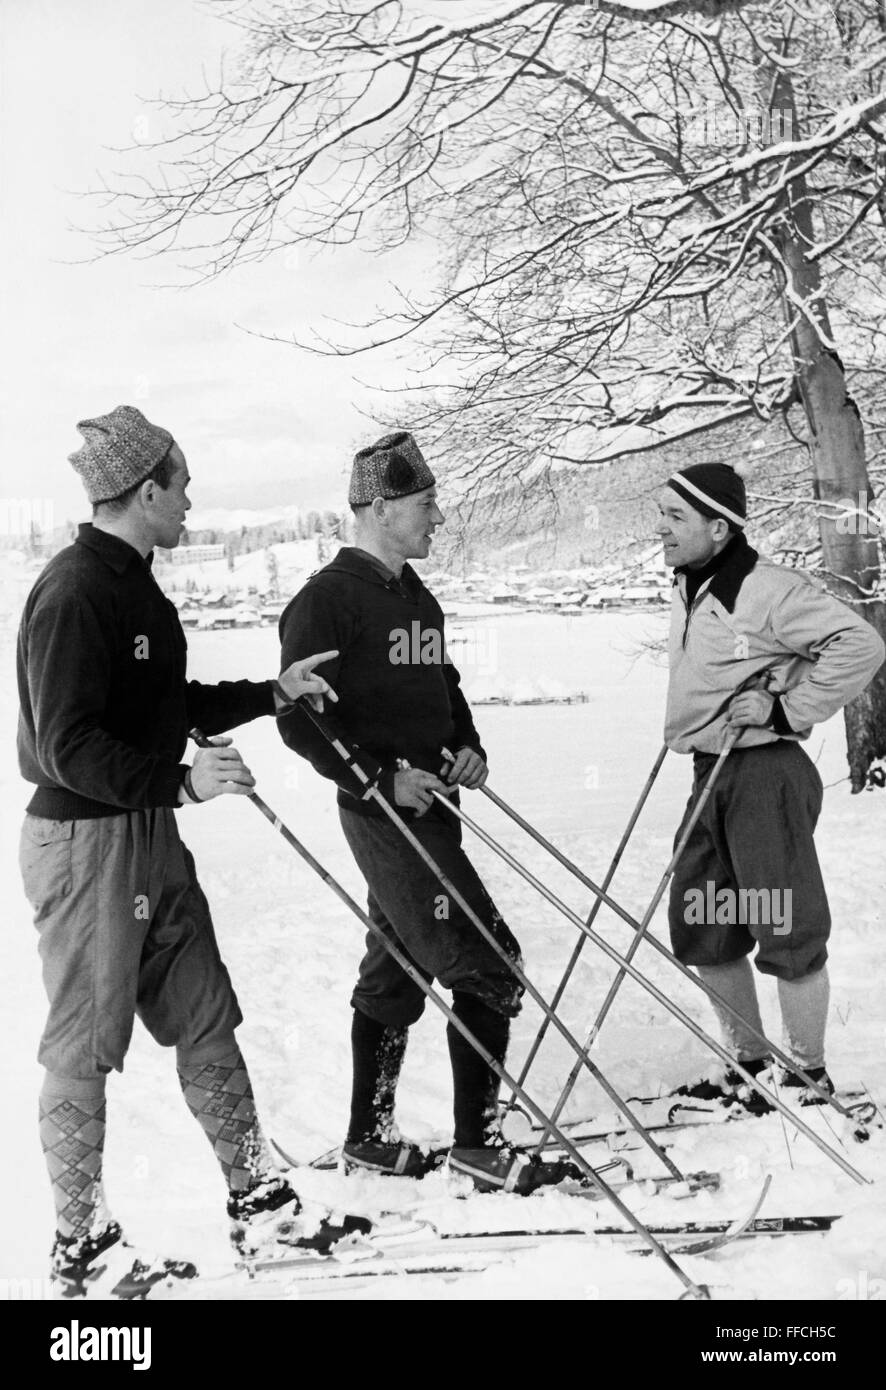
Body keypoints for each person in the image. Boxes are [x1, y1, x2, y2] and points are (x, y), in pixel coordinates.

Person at [17, 405, 370, 1299]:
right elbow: (65, 745)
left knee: (205, 1009)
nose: (190, 500)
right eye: (182, 484)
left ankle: (261, 1206)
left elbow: (164, 703)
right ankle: (81, 1253)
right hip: (86, 838)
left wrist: (271, 693)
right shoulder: (73, 590)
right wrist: (177, 785)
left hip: (145, 834)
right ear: (144, 490)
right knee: (85, 1043)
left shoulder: (133, 583)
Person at [276, 431, 577, 1193]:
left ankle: (368, 1139)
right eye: (426, 503)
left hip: (431, 809)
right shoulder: (324, 602)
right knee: (488, 959)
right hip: (384, 815)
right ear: (379, 508)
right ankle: (479, 1147)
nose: (439, 516)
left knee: (396, 972)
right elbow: (302, 719)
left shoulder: (417, 597)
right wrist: (381, 779)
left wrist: (466, 747)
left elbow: (444, 693)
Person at [656, 461, 884, 1110]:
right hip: (707, 772)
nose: (662, 531)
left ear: (720, 528)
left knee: (784, 923)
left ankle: (809, 1078)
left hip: (763, 774)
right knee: (705, 920)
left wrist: (786, 709)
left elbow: (859, 645)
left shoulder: (768, 589)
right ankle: (750, 1070)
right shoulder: (687, 586)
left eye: (676, 518)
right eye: (661, 517)